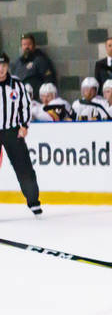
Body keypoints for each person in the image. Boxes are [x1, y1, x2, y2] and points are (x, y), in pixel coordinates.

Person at [0, 52, 42, 215]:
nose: (1, 69)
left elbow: (25, 106)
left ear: (7, 66)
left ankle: (33, 201)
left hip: (12, 131)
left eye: (3, 65)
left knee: (23, 166)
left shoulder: (17, 85)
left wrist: (24, 126)